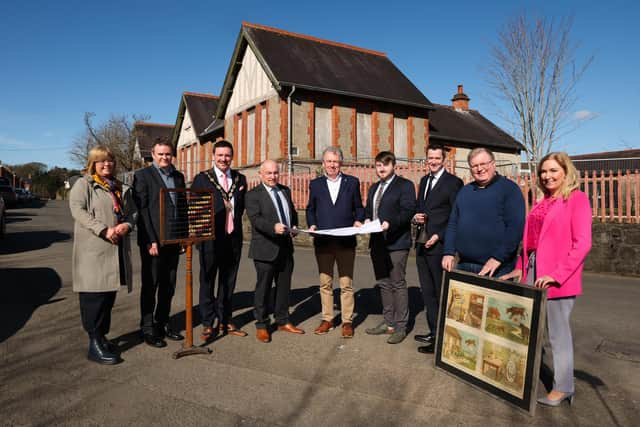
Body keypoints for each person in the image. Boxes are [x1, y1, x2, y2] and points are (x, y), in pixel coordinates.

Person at [500, 152, 592, 407]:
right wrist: (520, 266)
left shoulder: (577, 199)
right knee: (526, 330)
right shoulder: (543, 201)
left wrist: (557, 275)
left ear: (566, 172)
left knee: (557, 335)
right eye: (543, 171)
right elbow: (530, 241)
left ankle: (563, 387)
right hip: (532, 271)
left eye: (553, 170)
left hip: (557, 278)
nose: (547, 176)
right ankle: (521, 377)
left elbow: (582, 244)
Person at [69, 146, 136, 365]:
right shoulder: (83, 184)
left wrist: (127, 224)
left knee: (108, 297)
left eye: (110, 161)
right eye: (101, 161)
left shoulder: (118, 186)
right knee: (93, 299)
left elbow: (132, 212)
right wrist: (103, 229)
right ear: (93, 163)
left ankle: (102, 337)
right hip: (93, 252)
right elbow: (78, 211)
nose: (106, 164)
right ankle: (94, 343)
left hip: (115, 251)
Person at [192, 140, 247, 341]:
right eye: (220, 155)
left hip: (232, 238)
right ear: (213, 156)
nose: (224, 159)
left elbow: (241, 209)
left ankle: (225, 318)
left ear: (232, 157)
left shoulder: (241, 179)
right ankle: (207, 322)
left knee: (228, 281)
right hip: (210, 239)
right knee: (207, 280)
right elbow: (195, 211)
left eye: (227, 155)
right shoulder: (202, 179)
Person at [306, 146, 365, 338]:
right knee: (325, 283)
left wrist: (358, 220)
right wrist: (312, 224)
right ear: (323, 164)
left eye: (335, 161)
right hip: (323, 242)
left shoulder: (352, 182)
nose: (332, 165)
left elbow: (359, 207)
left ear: (341, 163)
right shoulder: (315, 184)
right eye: (329, 161)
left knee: (346, 283)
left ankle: (347, 321)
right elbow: (310, 209)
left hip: (346, 242)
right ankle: (328, 319)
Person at [133, 139, 186, 348]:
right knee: (150, 285)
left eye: (168, 154)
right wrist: (150, 240)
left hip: (173, 239)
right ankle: (147, 328)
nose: (165, 157)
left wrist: (183, 236)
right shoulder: (142, 176)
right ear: (153, 155)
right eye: (160, 154)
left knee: (168, 286)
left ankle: (162, 322)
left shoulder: (178, 176)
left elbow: (182, 208)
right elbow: (143, 211)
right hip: (153, 241)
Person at [442, 147, 525, 278]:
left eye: (483, 164)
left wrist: (498, 258)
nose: (479, 169)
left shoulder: (509, 189)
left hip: (497, 267)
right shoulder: (465, 191)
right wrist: (448, 252)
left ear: (493, 163)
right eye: (474, 166)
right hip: (464, 265)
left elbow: (515, 228)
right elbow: (453, 223)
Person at [246, 160, 304, 343]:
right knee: (263, 288)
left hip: (285, 248)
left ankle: (282, 320)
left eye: (275, 173)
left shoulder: (285, 190)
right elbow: (255, 220)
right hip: (265, 248)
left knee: (284, 287)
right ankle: (262, 325)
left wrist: (294, 225)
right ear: (261, 174)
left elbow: (292, 212)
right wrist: (273, 227)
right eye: (269, 173)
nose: (273, 177)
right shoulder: (253, 195)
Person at [413, 144, 463, 354]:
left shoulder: (454, 183)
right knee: (428, 293)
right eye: (429, 158)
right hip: (422, 245)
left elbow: (456, 216)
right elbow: (420, 208)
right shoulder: (424, 181)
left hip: (440, 246)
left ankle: (443, 338)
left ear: (444, 160)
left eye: (436, 158)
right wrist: (416, 216)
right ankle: (434, 331)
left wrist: (439, 235)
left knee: (441, 294)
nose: (432, 161)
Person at [363, 152, 416, 344]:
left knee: (397, 283)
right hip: (377, 242)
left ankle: (401, 326)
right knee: (383, 284)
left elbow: (408, 211)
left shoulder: (405, 186)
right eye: (378, 165)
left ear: (393, 165)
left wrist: (389, 223)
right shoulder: (374, 188)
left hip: (396, 243)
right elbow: (369, 210)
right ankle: (389, 322)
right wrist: (366, 219)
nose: (382, 168)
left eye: (385, 164)